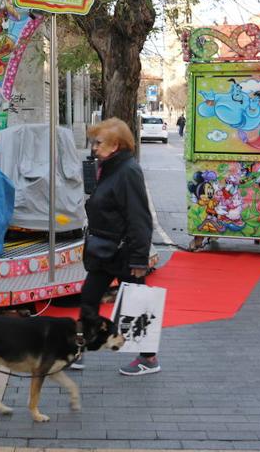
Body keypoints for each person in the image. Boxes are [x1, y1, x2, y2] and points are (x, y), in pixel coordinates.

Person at [80, 117, 160, 376]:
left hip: (123, 252)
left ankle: (149, 358)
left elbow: (140, 218)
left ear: (115, 145)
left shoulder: (127, 171)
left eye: (99, 142)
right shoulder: (109, 167)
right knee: (89, 298)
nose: (94, 147)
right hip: (104, 249)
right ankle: (79, 347)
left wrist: (139, 260)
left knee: (136, 304)